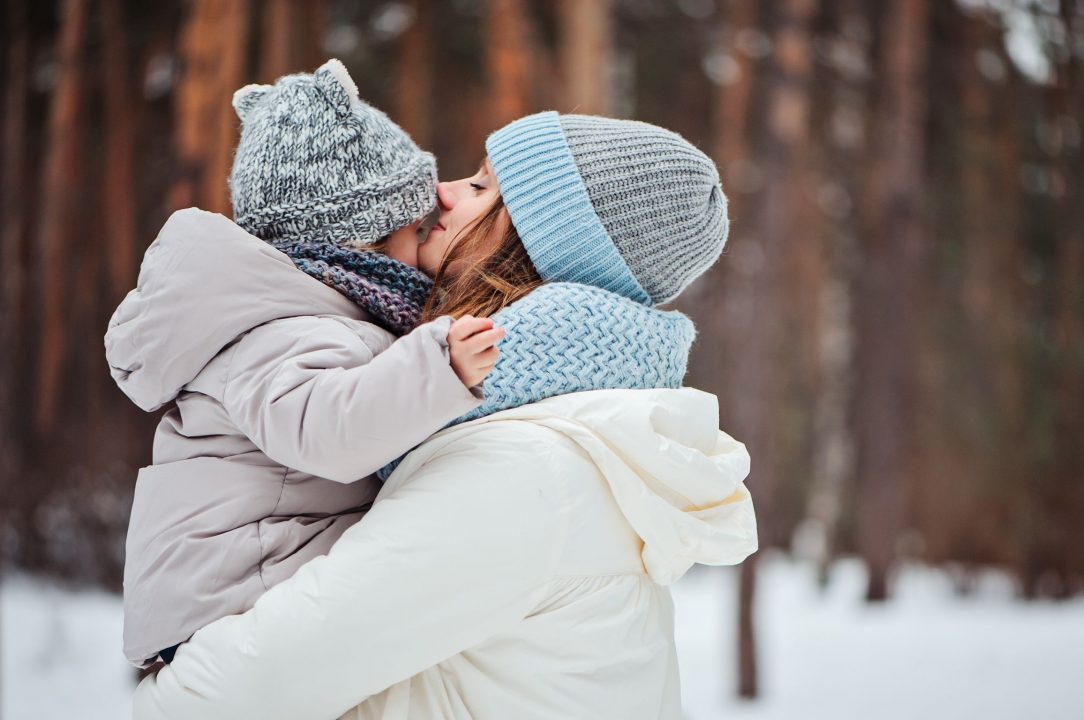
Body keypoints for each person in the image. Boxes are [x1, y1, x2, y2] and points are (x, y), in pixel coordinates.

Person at [132, 110, 758, 720]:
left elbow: (218, 700)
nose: (442, 191)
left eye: (483, 186)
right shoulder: (558, 435)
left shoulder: (521, 467)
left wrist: (161, 688)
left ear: (538, 243)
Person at [105, 59, 504, 668]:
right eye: (413, 227)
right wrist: (436, 368)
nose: (424, 241)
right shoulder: (291, 328)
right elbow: (325, 433)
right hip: (241, 595)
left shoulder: (298, 309)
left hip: (242, 582)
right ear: (363, 236)